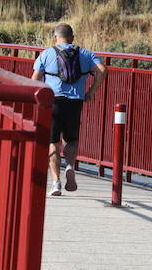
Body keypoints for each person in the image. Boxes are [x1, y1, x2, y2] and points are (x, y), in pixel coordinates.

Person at [32, 23, 106, 197]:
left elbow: (34, 80)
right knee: (71, 139)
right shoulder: (85, 54)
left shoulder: (46, 54)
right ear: (72, 37)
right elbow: (102, 70)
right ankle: (70, 166)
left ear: (55, 37)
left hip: (53, 101)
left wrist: (37, 99)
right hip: (75, 101)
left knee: (53, 141)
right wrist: (91, 92)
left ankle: (56, 182)